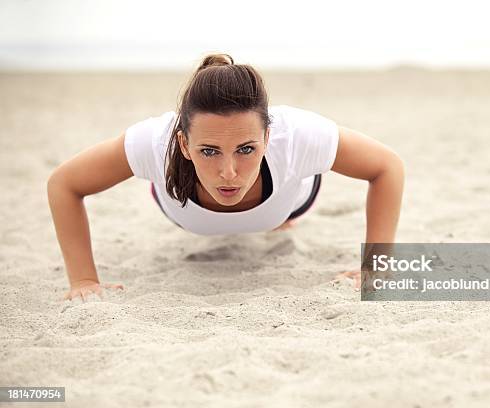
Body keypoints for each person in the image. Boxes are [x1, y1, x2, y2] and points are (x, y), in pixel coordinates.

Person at [47, 53, 405, 301]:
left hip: (288, 203)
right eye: (209, 151)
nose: (228, 172)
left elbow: (387, 167)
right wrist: (84, 279)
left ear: (267, 138)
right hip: (182, 208)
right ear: (183, 144)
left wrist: (376, 268)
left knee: (283, 201)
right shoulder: (154, 142)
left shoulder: (297, 135)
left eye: (247, 149)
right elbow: (64, 184)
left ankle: (279, 217)